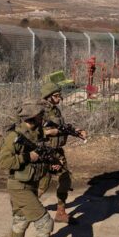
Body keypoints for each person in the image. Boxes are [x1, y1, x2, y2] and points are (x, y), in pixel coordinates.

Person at [0, 102, 71, 237]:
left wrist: (50, 164)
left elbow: (41, 149)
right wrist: (27, 156)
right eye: (39, 115)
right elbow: (3, 162)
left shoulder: (34, 132)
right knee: (45, 221)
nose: (41, 117)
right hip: (19, 186)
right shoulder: (14, 136)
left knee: (21, 218)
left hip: (30, 183)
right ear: (31, 118)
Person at [38, 82, 87, 225]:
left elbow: (61, 127)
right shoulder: (39, 110)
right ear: (48, 97)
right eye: (57, 95)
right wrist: (48, 132)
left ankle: (61, 212)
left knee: (65, 180)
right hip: (44, 151)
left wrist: (76, 132)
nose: (60, 98)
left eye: (59, 95)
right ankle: (26, 209)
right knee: (43, 184)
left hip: (57, 151)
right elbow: (30, 132)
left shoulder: (55, 110)